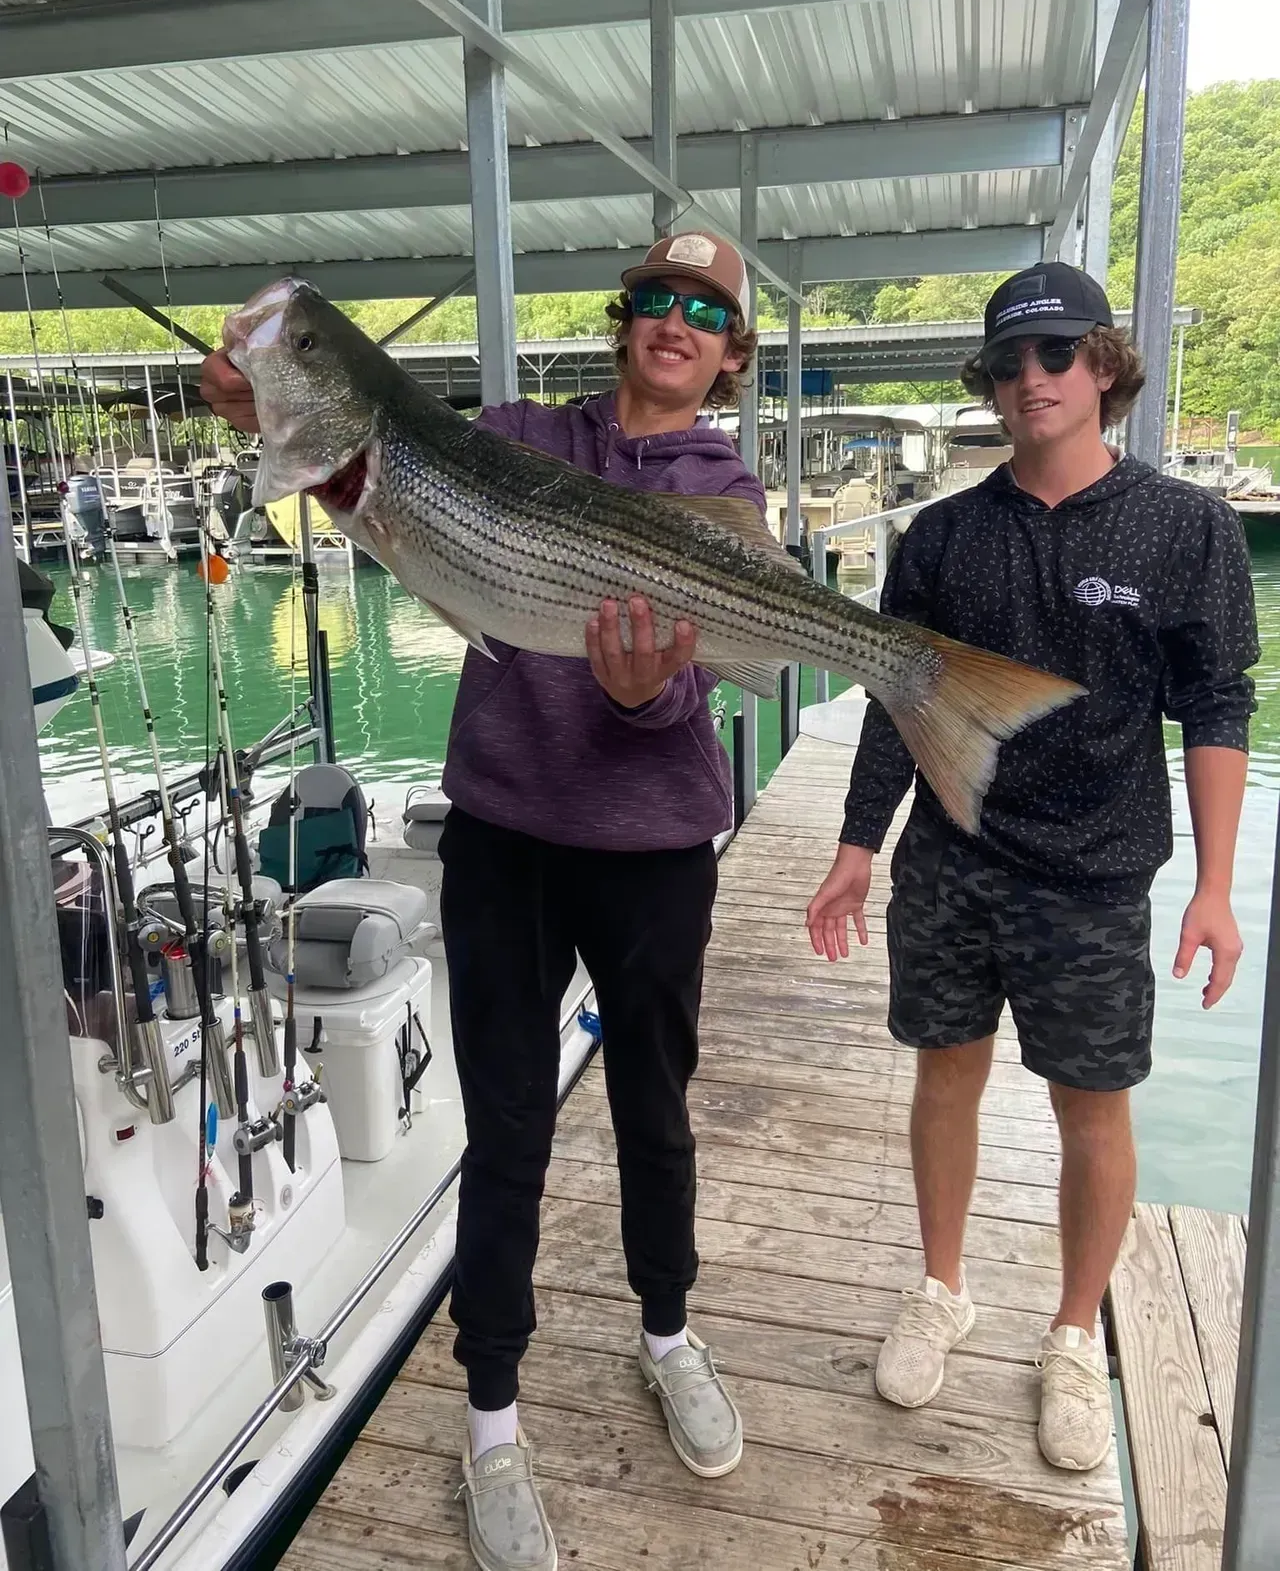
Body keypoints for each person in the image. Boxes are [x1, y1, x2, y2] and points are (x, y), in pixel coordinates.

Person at [202, 230, 758, 1571]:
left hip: (654, 847)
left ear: (729, 353)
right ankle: (492, 1425)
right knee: (505, 1128)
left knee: (653, 1111)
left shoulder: (724, 489)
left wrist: (653, 691)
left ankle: (668, 1332)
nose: (673, 320)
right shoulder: (510, 437)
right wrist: (282, 404)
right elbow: (389, 499)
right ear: (623, 321)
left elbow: (697, 679)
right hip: (507, 833)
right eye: (652, 300)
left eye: (704, 309)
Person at [804, 262, 1259, 1474]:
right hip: (949, 864)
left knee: (1089, 1108)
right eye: (1006, 365)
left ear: (1101, 368)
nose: (1028, 381)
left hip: (1097, 875)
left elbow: (1214, 705)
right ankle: (940, 1287)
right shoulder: (940, 535)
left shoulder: (1187, 525)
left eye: (1053, 355)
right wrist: (856, 847)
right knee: (941, 1078)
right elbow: (895, 700)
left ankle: (1068, 1333)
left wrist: (1214, 887)